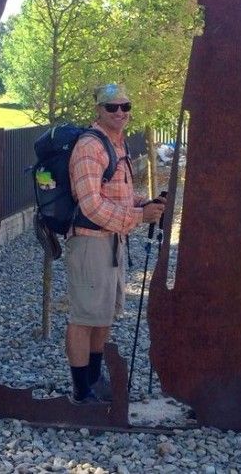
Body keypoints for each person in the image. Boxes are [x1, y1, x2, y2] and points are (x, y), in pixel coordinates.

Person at [65, 82, 166, 405]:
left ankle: (94, 380)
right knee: (84, 318)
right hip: (89, 243)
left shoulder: (117, 144)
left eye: (125, 106)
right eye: (112, 107)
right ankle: (82, 391)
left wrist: (144, 204)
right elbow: (90, 205)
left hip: (112, 241)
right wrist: (139, 217)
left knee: (103, 315)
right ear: (99, 110)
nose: (120, 112)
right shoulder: (90, 147)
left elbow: (117, 196)